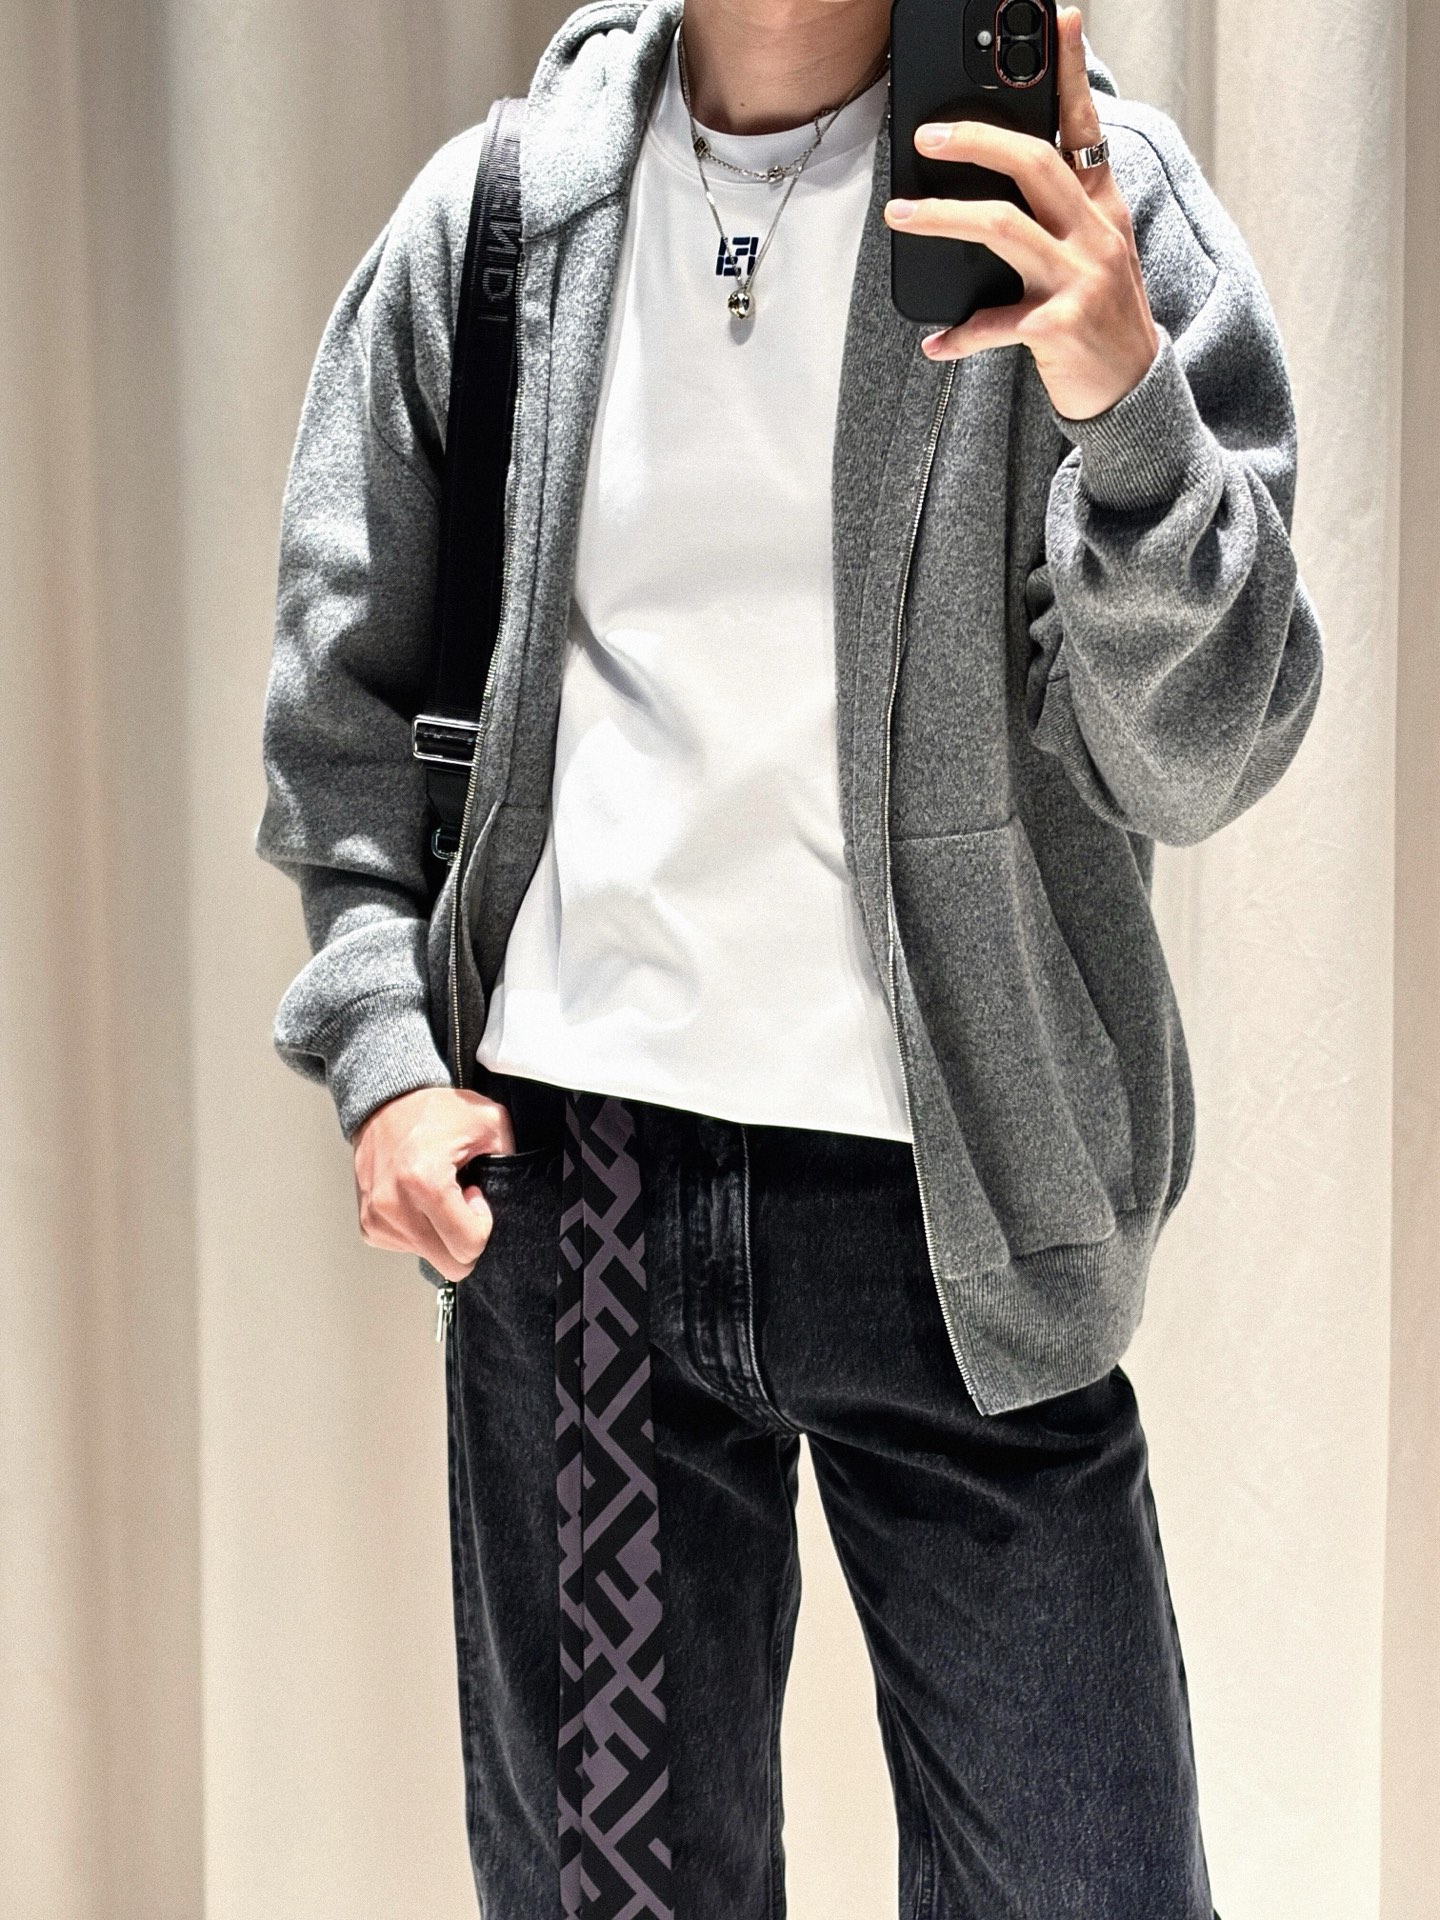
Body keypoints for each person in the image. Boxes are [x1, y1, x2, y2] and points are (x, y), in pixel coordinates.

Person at [256, 0, 1320, 1914]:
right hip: (580, 1202)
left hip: (967, 1210)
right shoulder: (505, 214)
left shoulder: (1087, 201)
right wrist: (384, 1050)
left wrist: (1123, 398)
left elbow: (1203, 757)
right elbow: (343, 700)